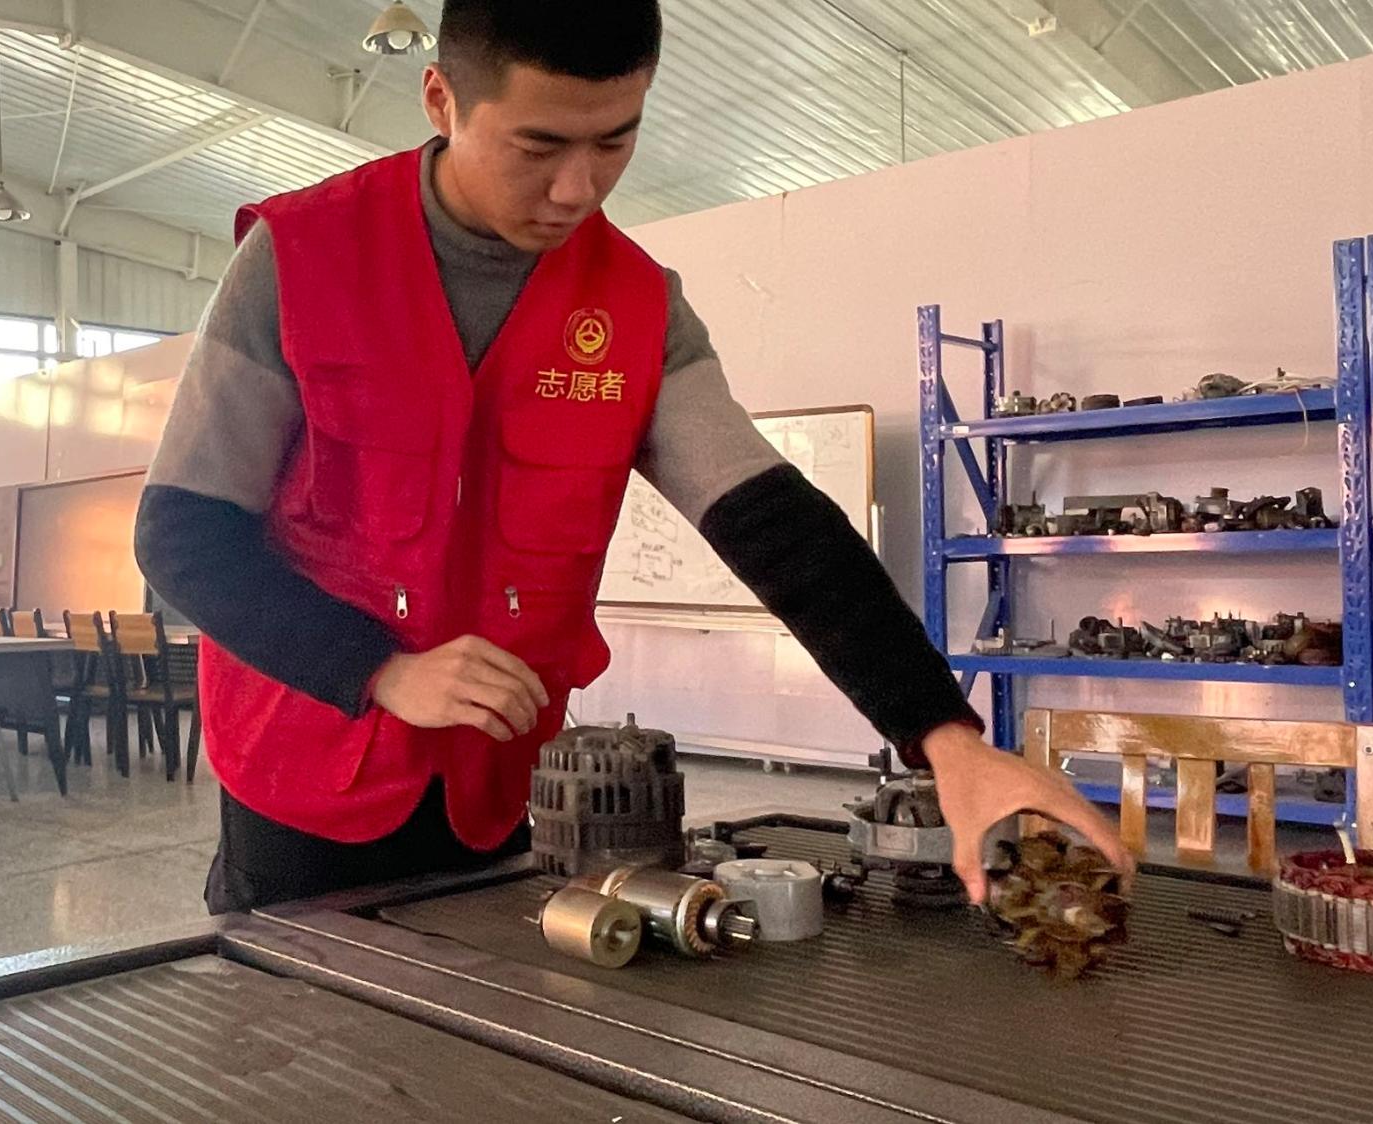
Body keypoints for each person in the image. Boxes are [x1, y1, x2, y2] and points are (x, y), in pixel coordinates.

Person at [138, 0, 1131, 915]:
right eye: (538, 146)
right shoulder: (297, 260)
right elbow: (182, 534)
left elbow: (774, 525)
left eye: (614, 141)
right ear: (441, 99)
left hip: (504, 786)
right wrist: (378, 668)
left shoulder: (636, 308)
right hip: (304, 777)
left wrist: (944, 736)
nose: (577, 189)